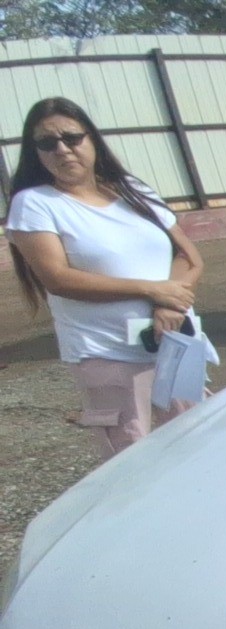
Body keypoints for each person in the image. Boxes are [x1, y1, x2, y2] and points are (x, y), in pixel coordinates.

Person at [6, 96, 203, 460]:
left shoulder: (134, 190)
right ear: (36, 152)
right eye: (47, 143)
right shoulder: (35, 204)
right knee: (131, 460)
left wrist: (166, 303)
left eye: (72, 137)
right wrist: (151, 289)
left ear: (92, 138)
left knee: (201, 439)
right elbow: (58, 279)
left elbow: (187, 256)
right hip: (108, 353)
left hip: (176, 342)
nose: (62, 149)